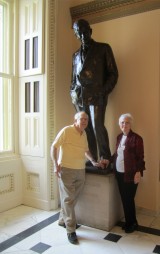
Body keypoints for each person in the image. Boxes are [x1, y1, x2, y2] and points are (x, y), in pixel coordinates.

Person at [70, 19, 118, 165]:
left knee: (98, 126)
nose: (83, 36)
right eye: (79, 33)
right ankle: (93, 160)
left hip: (97, 95)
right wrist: (72, 93)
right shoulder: (75, 55)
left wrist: (103, 92)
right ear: (76, 35)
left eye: (85, 32)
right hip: (80, 97)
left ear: (90, 31)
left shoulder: (103, 48)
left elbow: (113, 73)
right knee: (87, 129)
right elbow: (73, 79)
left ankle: (105, 158)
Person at [50, 111, 100, 244]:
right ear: (75, 120)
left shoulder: (84, 134)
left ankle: (62, 220)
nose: (84, 121)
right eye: (82, 119)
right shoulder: (66, 131)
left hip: (80, 171)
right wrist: (55, 165)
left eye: (86, 120)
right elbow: (54, 147)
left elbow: (86, 150)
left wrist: (93, 161)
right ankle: (70, 230)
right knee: (68, 199)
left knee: (71, 199)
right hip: (66, 169)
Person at [113, 113, 145, 233]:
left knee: (129, 199)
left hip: (131, 174)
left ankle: (133, 223)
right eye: (122, 122)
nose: (124, 125)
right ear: (119, 124)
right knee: (124, 198)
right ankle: (129, 222)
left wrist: (138, 172)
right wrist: (107, 160)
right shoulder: (119, 137)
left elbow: (140, 158)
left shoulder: (137, 138)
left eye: (127, 122)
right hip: (119, 174)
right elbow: (117, 154)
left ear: (130, 124)